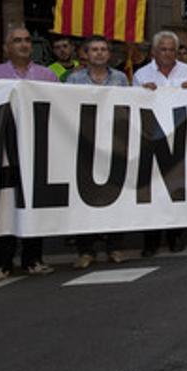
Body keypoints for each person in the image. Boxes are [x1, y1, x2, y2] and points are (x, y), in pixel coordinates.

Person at [0, 27, 59, 281]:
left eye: (27, 40)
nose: (24, 45)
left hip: (37, 151)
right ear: (6, 47)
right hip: (4, 152)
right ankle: (1, 262)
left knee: (33, 204)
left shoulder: (47, 75)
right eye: (17, 41)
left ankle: (33, 258)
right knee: (4, 206)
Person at [66, 35, 130, 268]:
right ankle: (86, 250)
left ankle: (115, 247)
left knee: (114, 197)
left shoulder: (121, 79)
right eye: (94, 49)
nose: (99, 53)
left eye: (103, 49)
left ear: (109, 54)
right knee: (85, 201)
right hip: (84, 147)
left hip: (113, 146)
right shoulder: (74, 80)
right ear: (86, 54)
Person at [133, 30, 187, 256]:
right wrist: (142, 94)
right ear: (154, 51)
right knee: (152, 190)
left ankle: (175, 235)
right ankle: (151, 240)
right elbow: (133, 106)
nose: (168, 53)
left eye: (172, 49)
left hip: (180, 136)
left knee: (176, 187)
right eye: (163, 49)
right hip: (152, 137)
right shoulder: (141, 74)